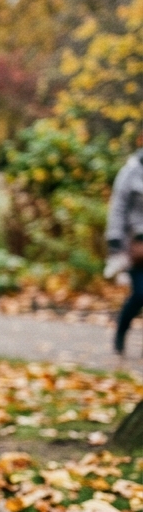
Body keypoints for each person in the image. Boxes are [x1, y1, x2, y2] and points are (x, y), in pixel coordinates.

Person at [107, 135, 143, 355]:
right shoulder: (130, 172)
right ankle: (121, 329)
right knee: (140, 293)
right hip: (137, 245)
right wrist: (114, 242)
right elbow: (118, 209)